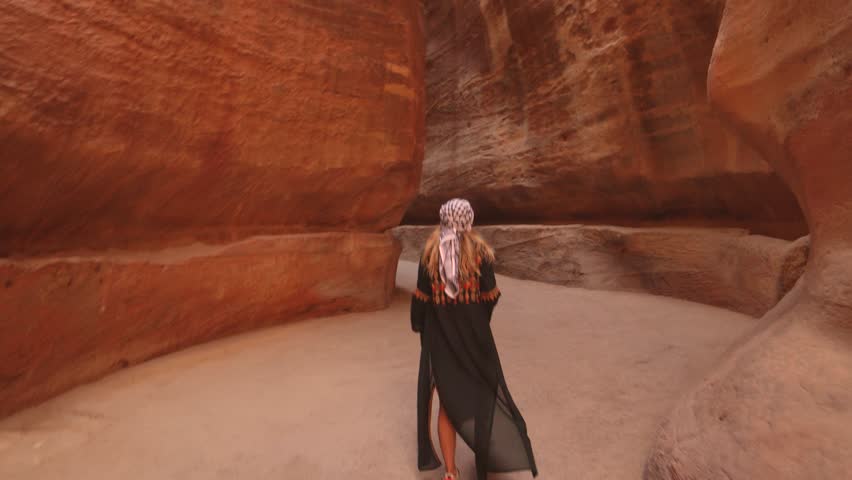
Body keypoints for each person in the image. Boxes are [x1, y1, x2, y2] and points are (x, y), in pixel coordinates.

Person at [410, 198, 538, 480]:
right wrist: (476, 322)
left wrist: (420, 326)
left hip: (441, 343)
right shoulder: (481, 254)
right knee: (480, 397)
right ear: (469, 221)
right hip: (475, 341)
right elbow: (490, 297)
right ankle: (484, 460)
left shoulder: (429, 255)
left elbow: (420, 303)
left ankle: (451, 471)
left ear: (443, 219)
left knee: (447, 405)